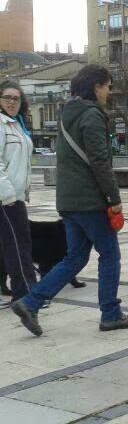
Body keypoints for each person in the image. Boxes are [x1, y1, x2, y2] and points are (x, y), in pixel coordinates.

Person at [11, 64, 128, 337]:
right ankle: (111, 314)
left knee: (75, 257)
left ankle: (31, 303)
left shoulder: (68, 113)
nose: (109, 92)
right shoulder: (92, 115)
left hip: (69, 200)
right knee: (110, 256)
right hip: (90, 201)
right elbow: (99, 160)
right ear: (96, 87)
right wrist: (113, 198)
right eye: (108, 86)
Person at [0, 80, 37, 308]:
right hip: (7, 199)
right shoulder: (1, 125)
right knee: (18, 245)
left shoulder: (16, 124)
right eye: (7, 98)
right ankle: (25, 295)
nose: (12, 102)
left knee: (10, 245)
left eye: (16, 98)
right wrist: (9, 196)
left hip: (15, 196)